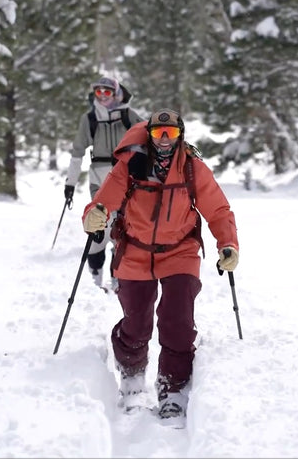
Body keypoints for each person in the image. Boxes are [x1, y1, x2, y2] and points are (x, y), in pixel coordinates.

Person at [81, 109, 239, 423]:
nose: (164, 141)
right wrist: (95, 213)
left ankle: (174, 389)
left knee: (177, 321)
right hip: (136, 250)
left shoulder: (192, 167)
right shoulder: (132, 165)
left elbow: (218, 209)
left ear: (180, 136)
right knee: (136, 322)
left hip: (180, 251)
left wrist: (228, 244)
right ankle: (132, 378)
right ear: (149, 136)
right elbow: (104, 199)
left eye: (170, 134)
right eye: (157, 134)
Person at [64, 75, 146, 290]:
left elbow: (149, 138)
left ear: (116, 93)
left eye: (107, 92)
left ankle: (118, 274)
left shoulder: (128, 116)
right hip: (99, 176)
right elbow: (77, 152)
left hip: (125, 176)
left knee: (124, 225)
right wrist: (70, 183)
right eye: (98, 92)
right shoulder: (90, 119)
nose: (102, 96)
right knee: (100, 222)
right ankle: (95, 274)